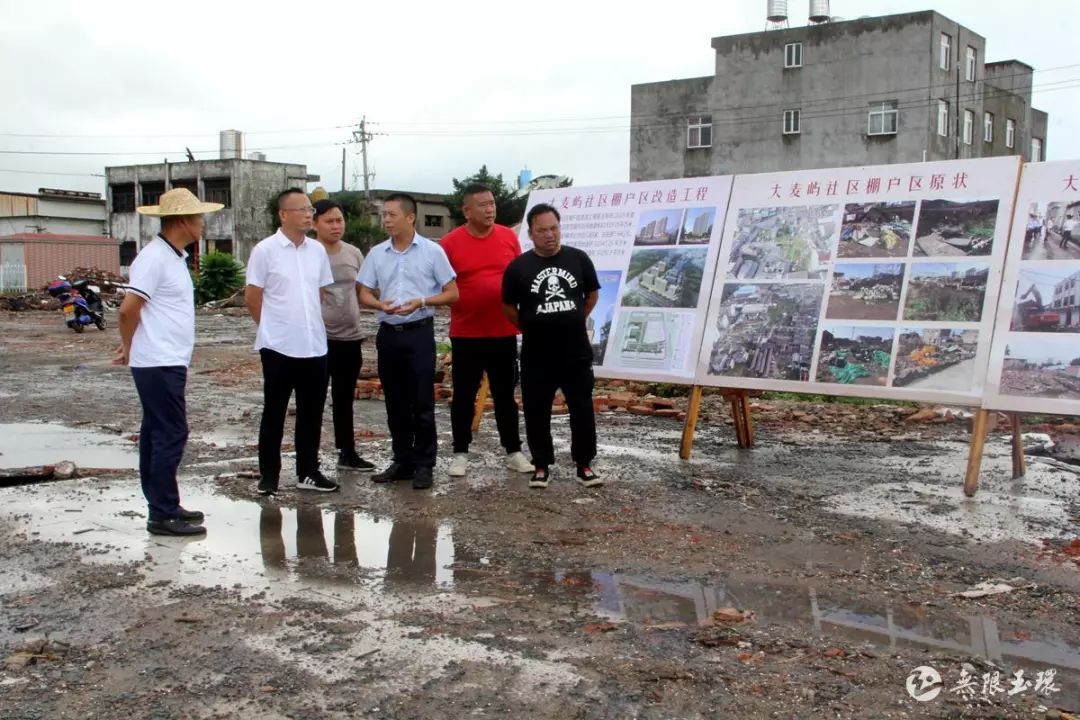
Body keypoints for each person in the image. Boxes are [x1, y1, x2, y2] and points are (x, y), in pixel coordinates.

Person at [113, 188, 223, 535]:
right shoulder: (154, 258)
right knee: (172, 432)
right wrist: (129, 347)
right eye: (198, 218)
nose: (203, 224)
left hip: (166, 359)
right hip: (157, 360)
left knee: (156, 433)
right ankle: (162, 513)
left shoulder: (172, 256)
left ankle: (164, 504)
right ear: (182, 221)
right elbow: (128, 310)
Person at [358, 193, 458, 490]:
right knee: (395, 403)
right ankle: (402, 461)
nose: (386, 220)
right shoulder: (377, 253)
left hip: (419, 333)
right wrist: (379, 305)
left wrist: (423, 301)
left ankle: (424, 464)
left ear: (410, 217)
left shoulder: (431, 252)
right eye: (384, 215)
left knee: (422, 402)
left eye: (391, 214)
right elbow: (363, 292)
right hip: (389, 334)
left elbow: (452, 293)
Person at [501, 203, 602, 490]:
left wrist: (573, 319)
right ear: (531, 234)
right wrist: (530, 325)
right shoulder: (518, 268)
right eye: (542, 230)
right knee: (536, 410)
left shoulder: (578, 259)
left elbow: (591, 295)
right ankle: (541, 465)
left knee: (582, 408)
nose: (550, 235)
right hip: (537, 354)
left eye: (554, 228)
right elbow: (508, 307)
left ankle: (584, 464)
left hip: (576, 352)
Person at [245, 189, 337, 496]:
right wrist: (272, 329)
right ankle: (269, 475)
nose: (309, 214)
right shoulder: (265, 250)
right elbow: (253, 296)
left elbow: (319, 293)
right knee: (275, 412)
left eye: (310, 209)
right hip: (278, 347)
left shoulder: (317, 251)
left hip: (314, 345)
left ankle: (308, 472)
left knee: (311, 414)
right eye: (302, 210)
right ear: (284, 215)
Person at [439, 183, 533, 477]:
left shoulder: (507, 236)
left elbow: (519, 277)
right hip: (466, 332)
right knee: (464, 396)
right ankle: (460, 452)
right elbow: (442, 285)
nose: (490, 209)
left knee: (505, 395)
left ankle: (514, 451)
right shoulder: (449, 243)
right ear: (467, 211)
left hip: (503, 330)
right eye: (482, 205)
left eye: (492, 203)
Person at [312, 199, 375, 472]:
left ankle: (347, 452)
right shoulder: (309, 253)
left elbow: (365, 290)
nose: (336, 226)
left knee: (344, 397)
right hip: (317, 339)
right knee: (312, 399)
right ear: (314, 224)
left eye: (339, 220)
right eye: (329, 221)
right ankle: (309, 456)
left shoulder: (353, 253)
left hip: (350, 337)